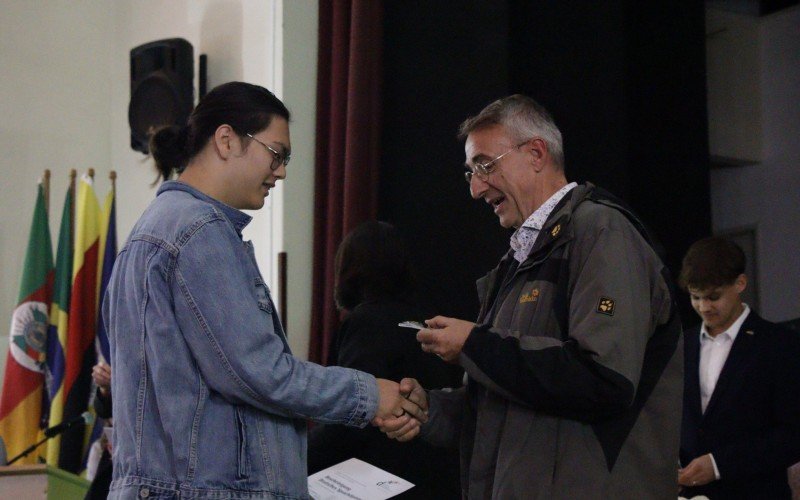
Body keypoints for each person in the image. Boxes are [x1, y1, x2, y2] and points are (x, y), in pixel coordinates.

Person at [102, 82, 425, 499]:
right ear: (226, 140)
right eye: (277, 153)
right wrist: (369, 395)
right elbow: (259, 373)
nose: (282, 171)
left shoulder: (150, 232)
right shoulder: (200, 231)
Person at [376, 94, 683, 498]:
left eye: (484, 165)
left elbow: (603, 380)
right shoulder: (516, 262)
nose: (475, 188)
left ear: (536, 153)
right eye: (469, 172)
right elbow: (509, 403)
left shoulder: (601, 232)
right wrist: (431, 410)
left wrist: (475, 345)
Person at [307, 221, 462, 499]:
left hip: (377, 482)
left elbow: (353, 411)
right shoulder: (433, 321)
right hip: (438, 481)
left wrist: (295, 458)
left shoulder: (366, 321)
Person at [677, 237, 800, 499]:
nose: (704, 307)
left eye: (713, 297)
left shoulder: (780, 345)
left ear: (740, 284)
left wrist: (720, 464)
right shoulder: (680, 346)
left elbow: (793, 435)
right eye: (695, 297)